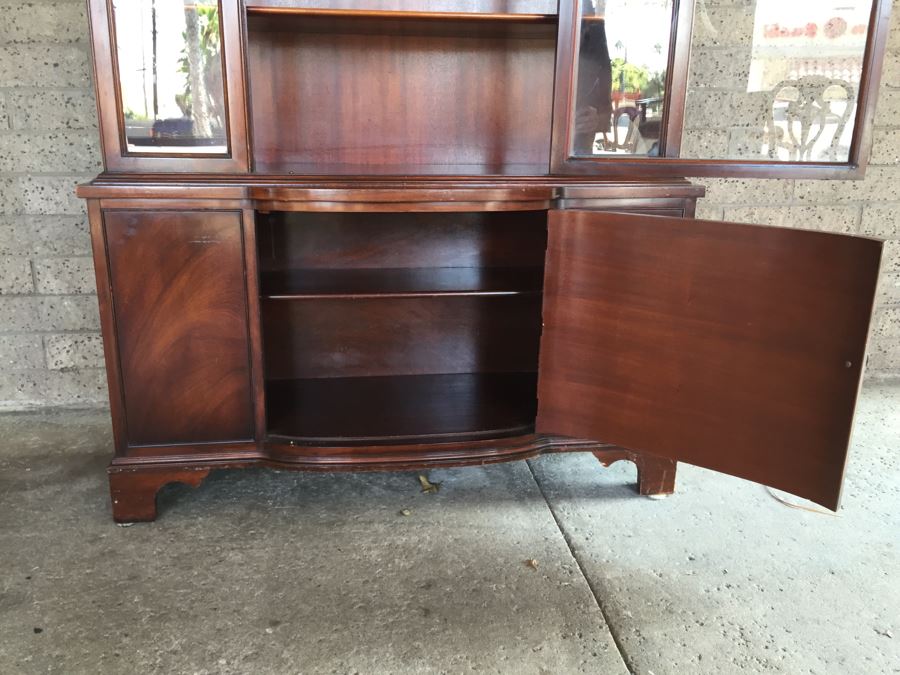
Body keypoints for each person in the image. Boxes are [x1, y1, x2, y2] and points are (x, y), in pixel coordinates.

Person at [573, 0, 613, 155]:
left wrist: (596, 120)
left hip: (580, 152)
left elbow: (606, 114)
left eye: (584, 27)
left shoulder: (597, 56)